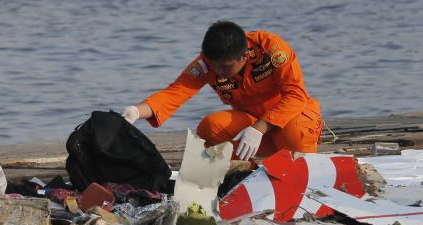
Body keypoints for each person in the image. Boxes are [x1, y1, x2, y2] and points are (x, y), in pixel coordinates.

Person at [121, 21, 322, 161]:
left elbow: (296, 95)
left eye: (225, 67)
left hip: (290, 122)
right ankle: (242, 174)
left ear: (244, 57)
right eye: (213, 65)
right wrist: (136, 112)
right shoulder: (208, 64)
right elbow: (175, 93)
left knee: (296, 128)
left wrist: (259, 128)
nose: (218, 72)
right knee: (210, 127)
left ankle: (305, 172)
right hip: (251, 127)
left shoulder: (270, 48)